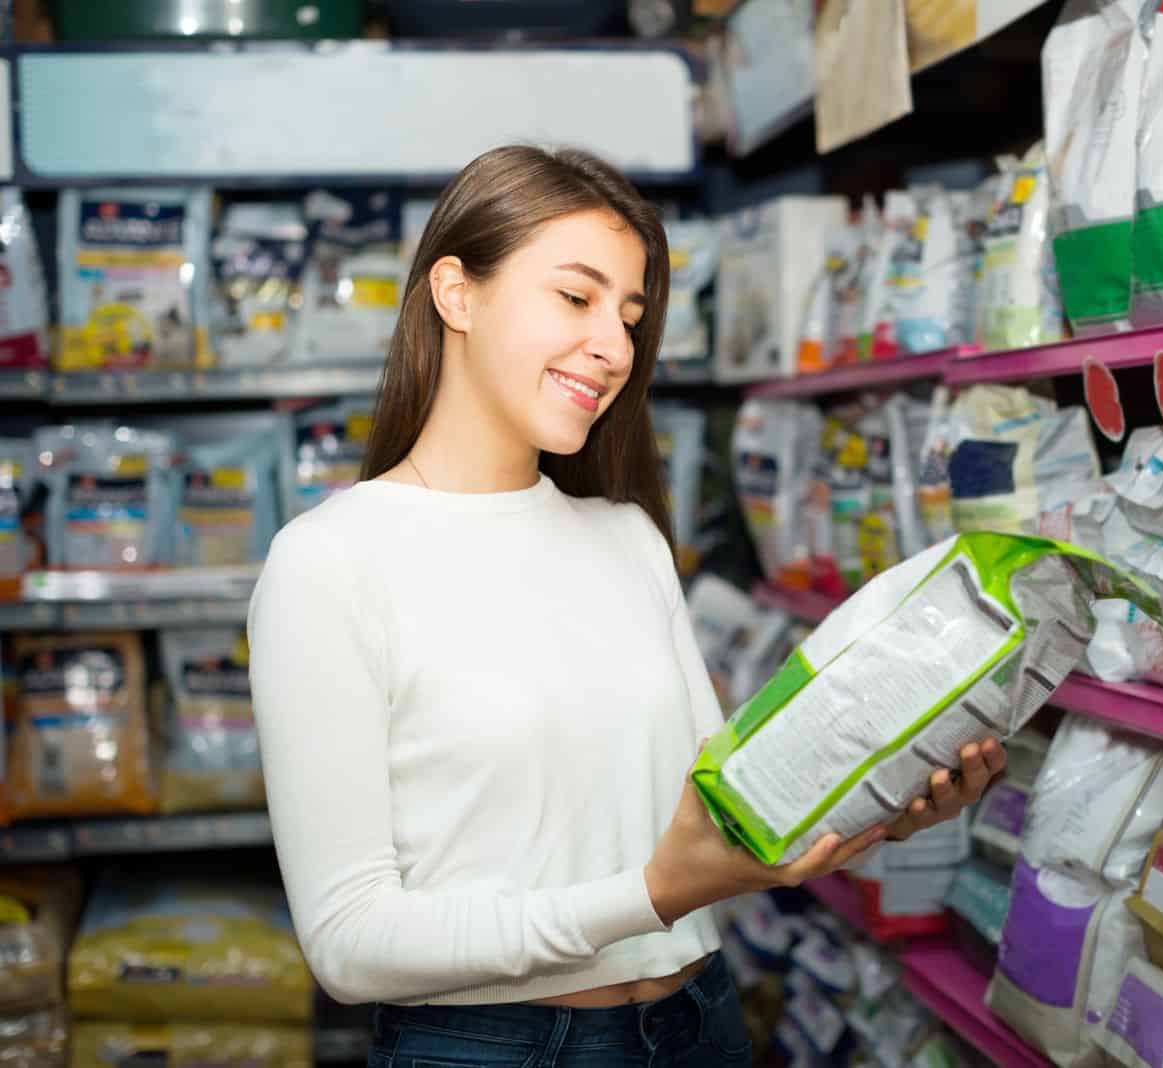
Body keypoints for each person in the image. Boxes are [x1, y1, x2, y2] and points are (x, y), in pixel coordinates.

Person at [247, 145, 1007, 1067]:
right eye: (577, 297)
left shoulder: (627, 538)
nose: (614, 345)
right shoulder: (330, 562)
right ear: (456, 294)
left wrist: (886, 797)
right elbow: (349, 943)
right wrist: (648, 896)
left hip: (700, 1023)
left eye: (632, 312)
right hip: (491, 1048)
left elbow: (719, 815)